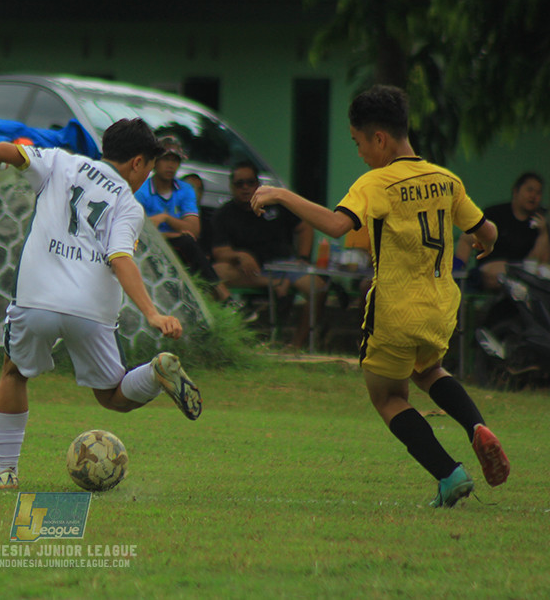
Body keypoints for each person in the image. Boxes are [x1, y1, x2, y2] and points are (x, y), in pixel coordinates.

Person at [249, 84, 510, 507]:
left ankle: (450, 474)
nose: (359, 153)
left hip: (394, 310)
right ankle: (477, 426)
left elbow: (336, 226)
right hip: (441, 308)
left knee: (387, 397)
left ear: (380, 139)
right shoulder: (446, 179)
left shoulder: (376, 182)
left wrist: (280, 193)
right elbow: (486, 232)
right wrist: (487, 244)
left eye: (358, 143)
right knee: (429, 371)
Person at [0, 118, 202, 491]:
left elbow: (5, 152)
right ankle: (153, 373)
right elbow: (120, 259)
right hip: (91, 311)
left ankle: (6, 472)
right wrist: (152, 313)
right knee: (114, 397)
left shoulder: (59, 162)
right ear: (137, 163)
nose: (146, 176)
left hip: (37, 301)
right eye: (148, 167)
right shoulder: (129, 206)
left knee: (14, 373)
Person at [134, 135, 256, 321]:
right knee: (186, 241)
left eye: (175, 160)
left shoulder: (185, 190)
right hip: (147, 247)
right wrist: (174, 231)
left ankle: (213, 314)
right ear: (155, 161)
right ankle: (225, 298)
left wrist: (165, 218)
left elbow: (194, 229)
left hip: (179, 247)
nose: (170, 165)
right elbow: (139, 228)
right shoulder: (142, 189)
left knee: (188, 244)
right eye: (166, 159)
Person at [209, 160, 327, 346]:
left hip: (284, 265)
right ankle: (225, 342)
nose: (246, 188)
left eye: (250, 182)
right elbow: (219, 251)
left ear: (258, 184)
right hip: (250, 270)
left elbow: (304, 226)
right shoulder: (223, 214)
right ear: (232, 187)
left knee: (318, 287)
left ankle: (297, 345)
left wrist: (303, 258)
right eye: (240, 183)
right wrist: (239, 255)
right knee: (213, 274)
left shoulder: (276, 205)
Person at [454, 172, 549, 291]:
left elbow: (539, 264)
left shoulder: (539, 226)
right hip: (490, 274)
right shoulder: (495, 214)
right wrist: (457, 273)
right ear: (516, 191)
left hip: (523, 281)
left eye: (538, 193)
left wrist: (543, 234)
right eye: (530, 190)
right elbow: (467, 239)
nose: (533, 196)